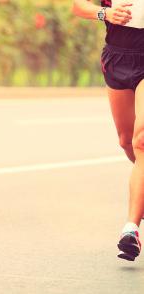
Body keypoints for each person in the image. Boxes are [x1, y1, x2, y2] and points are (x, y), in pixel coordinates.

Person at [72, 0, 144, 261]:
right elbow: (78, 6)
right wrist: (107, 13)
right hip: (118, 57)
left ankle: (131, 228)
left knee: (141, 140)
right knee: (126, 140)